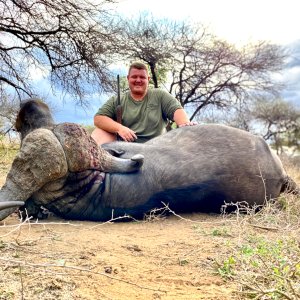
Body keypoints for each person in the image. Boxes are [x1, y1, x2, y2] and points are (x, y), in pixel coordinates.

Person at [91, 62, 197, 144]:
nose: (138, 80)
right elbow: (98, 119)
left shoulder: (160, 95)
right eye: (134, 77)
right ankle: (95, 169)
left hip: (156, 148)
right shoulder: (117, 99)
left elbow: (176, 110)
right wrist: (120, 128)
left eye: (142, 77)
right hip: (126, 147)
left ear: (148, 79)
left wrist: (184, 124)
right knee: (99, 132)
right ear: (128, 78)